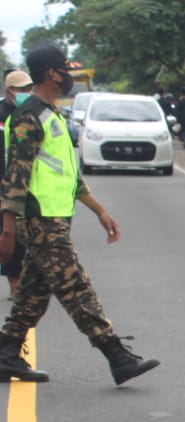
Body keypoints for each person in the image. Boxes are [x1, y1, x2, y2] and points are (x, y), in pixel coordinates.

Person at [0, 44, 160, 385]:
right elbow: (17, 172)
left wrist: (100, 210)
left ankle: (6, 353)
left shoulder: (51, 114)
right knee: (75, 287)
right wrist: (8, 225)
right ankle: (116, 355)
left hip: (56, 217)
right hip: (40, 219)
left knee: (33, 290)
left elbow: (68, 176)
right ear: (50, 74)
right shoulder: (29, 116)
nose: (68, 76)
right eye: (63, 70)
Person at [2, 69, 35, 300]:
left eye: (28, 88)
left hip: (31, 183)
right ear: (9, 91)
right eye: (21, 89)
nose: (26, 93)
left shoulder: (33, 112)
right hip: (5, 182)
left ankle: (29, 282)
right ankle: (14, 282)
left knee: (30, 235)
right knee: (8, 233)